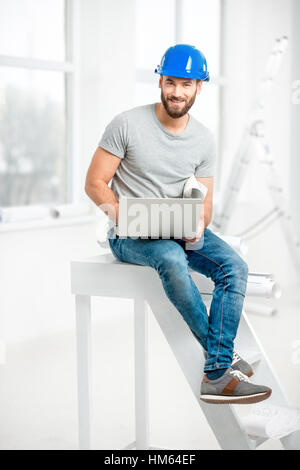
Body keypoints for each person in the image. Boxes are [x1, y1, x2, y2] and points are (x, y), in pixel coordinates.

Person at [85, 44, 272, 405]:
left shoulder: (203, 139)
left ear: (200, 87)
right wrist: (127, 218)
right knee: (170, 255)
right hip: (129, 232)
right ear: (160, 81)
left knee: (234, 265)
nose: (177, 92)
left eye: (186, 85)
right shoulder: (126, 124)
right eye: (171, 82)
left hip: (178, 226)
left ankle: (217, 366)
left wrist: (198, 224)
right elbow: (94, 183)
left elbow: (206, 205)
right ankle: (220, 368)